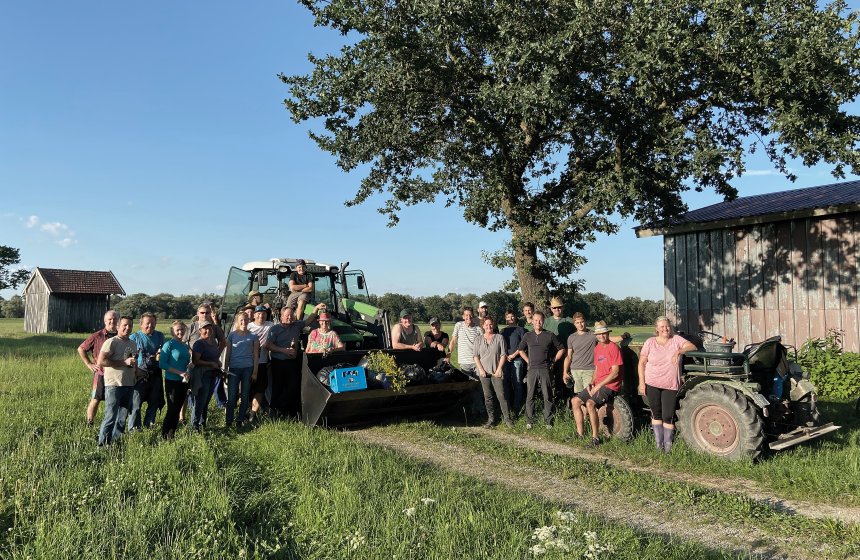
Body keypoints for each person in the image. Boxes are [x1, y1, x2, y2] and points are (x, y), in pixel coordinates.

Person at [637, 316, 697, 453]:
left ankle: (668, 447)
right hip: (652, 382)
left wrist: (679, 351)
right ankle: (659, 446)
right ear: (657, 329)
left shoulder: (676, 340)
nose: (665, 329)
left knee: (668, 416)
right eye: (662, 327)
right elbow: (641, 363)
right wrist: (641, 383)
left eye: (667, 326)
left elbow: (692, 346)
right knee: (656, 414)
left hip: (670, 384)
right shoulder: (650, 342)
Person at [267, 302, 326, 419]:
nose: (290, 317)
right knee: (278, 387)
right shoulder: (275, 329)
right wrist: (284, 350)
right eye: (287, 315)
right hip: (278, 362)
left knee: (293, 387)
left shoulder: (297, 325)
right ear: (281, 316)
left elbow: (308, 321)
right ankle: (275, 412)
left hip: (292, 363)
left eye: (291, 315)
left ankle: (291, 413)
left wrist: (316, 308)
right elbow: (268, 345)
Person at [571, 321, 624, 446]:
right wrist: (591, 383)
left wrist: (599, 386)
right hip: (598, 383)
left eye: (604, 333)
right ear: (596, 335)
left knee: (590, 403)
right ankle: (580, 434)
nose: (601, 336)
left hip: (610, 385)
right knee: (575, 401)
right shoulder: (597, 348)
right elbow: (597, 369)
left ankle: (595, 438)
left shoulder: (614, 348)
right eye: (599, 334)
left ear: (607, 333)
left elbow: (615, 372)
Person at [511, 311, 565, 429]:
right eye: (535, 320)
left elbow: (561, 349)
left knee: (547, 395)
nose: (538, 322)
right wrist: (528, 361)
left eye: (540, 320)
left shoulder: (549, 335)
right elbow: (520, 350)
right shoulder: (528, 336)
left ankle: (548, 421)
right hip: (532, 369)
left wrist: (553, 361)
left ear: (543, 321)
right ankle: (530, 420)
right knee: (530, 395)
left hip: (545, 368)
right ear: (532, 322)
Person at [97, 316, 138, 446]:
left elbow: (132, 363)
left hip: (129, 384)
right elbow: (101, 361)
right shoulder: (112, 342)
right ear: (118, 327)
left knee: (122, 418)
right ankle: (103, 444)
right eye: (124, 325)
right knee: (110, 417)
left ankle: (115, 441)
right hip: (114, 385)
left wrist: (137, 373)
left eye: (130, 325)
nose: (127, 328)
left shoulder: (133, 343)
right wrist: (123, 362)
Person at [78, 310, 118, 426]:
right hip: (101, 373)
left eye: (115, 319)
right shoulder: (97, 336)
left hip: (117, 374)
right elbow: (81, 349)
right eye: (110, 319)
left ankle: (112, 423)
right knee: (96, 399)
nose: (112, 321)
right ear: (105, 321)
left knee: (115, 400)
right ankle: (89, 423)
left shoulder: (122, 336)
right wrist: (89, 364)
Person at [474, 316, 513, 428]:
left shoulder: (499, 337)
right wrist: (481, 370)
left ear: (494, 325)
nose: (489, 326)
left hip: (496, 372)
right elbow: (476, 356)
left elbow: (503, 355)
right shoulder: (478, 339)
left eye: (491, 324)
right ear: (483, 326)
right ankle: (491, 419)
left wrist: (499, 368)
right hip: (484, 373)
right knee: (488, 396)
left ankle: (507, 419)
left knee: (501, 395)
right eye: (486, 324)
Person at [129, 312, 166, 430]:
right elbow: (129, 358)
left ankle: (149, 425)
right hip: (139, 374)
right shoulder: (134, 337)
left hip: (155, 374)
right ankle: (134, 428)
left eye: (153, 324)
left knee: (154, 402)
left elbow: (163, 354)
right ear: (141, 324)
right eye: (147, 324)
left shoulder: (160, 336)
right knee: (136, 404)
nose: (150, 326)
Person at [224, 312, 260, 427]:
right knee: (232, 396)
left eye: (245, 320)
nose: (243, 322)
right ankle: (228, 421)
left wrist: (255, 371)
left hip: (247, 368)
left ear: (249, 321)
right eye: (241, 320)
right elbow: (227, 353)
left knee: (245, 395)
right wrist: (225, 369)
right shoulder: (232, 335)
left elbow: (255, 355)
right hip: (234, 369)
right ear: (237, 321)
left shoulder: (253, 336)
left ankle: (240, 420)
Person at [159, 321, 191, 439]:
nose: (180, 332)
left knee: (178, 408)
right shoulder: (169, 344)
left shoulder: (184, 346)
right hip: (172, 381)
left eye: (182, 330)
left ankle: (172, 433)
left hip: (183, 381)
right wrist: (180, 372)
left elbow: (184, 362)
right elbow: (162, 364)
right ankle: (165, 434)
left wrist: (190, 365)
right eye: (177, 330)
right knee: (172, 409)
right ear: (172, 331)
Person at [190, 321, 223, 430]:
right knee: (200, 400)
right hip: (202, 375)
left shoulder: (213, 342)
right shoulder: (199, 344)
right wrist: (210, 363)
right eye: (205, 329)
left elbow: (214, 356)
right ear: (200, 331)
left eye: (209, 328)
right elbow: (196, 361)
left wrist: (217, 362)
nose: (207, 330)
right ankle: (194, 426)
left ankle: (202, 423)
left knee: (207, 400)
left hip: (212, 374)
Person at [247, 304, 274, 423]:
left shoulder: (270, 326)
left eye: (263, 314)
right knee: (246, 389)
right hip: (248, 362)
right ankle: (245, 411)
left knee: (260, 389)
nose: (261, 316)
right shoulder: (248, 326)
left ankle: (253, 414)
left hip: (262, 362)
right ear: (254, 315)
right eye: (258, 313)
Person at [563, 312, 597, 395]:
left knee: (589, 394)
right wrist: (565, 372)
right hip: (575, 370)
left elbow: (608, 338)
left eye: (581, 322)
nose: (580, 325)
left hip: (589, 369)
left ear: (585, 321)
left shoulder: (593, 335)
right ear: (574, 324)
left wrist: (622, 337)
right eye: (577, 323)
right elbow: (569, 356)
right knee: (579, 395)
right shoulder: (571, 337)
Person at [501, 309, 526, 413]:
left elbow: (523, 345)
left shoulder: (521, 330)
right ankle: (508, 406)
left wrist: (514, 355)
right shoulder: (503, 331)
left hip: (517, 360)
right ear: (505, 318)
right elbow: (501, 345)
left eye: (512, 316)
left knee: (517, 382)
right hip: (505, 360)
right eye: (508, 317)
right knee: (506, 382)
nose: (510, 318)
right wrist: (506, 356)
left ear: (515, 317)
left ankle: (517, 406)